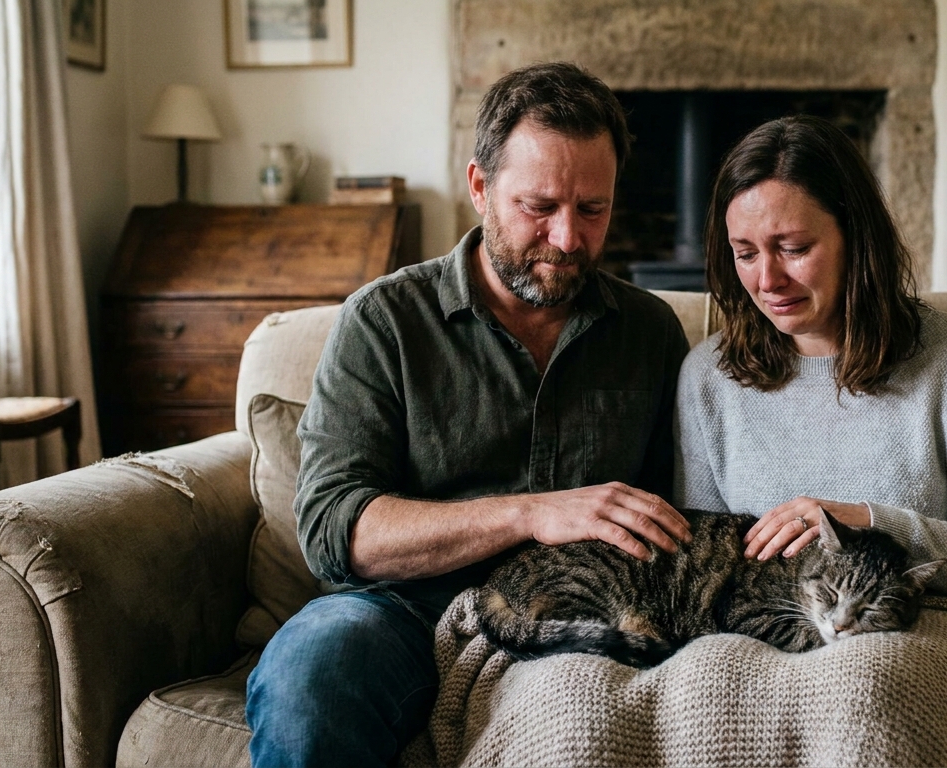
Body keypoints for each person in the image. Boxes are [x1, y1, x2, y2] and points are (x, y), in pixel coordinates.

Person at [245, 62, 692, 767]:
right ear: (479, 185)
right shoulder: (386, 320)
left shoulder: (650, 332)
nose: (570, 239)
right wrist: (527, 513)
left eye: (594, 209)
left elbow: (687, 517)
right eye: (539, 206)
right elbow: (334, 530)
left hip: (588, 617)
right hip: (404, 615)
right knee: (311, 673)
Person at [676, 115, 947, 608]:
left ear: (856, 239)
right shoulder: (708, 376)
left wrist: (869, 522)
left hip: (918, 630)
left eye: (793, 248)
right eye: (744, 254)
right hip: (768, 636)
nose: (767, 280)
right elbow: (698, 576)